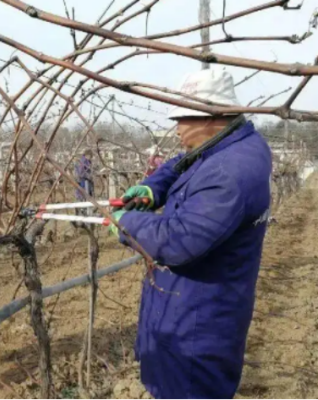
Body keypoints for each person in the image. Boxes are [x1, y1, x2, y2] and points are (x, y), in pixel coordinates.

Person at [109, 69, 272, 399]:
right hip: (189, 311)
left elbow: (178, 240)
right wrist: (152, 189)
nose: (177, 127)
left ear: (213, 116)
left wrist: (127, 223)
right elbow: (183, 164)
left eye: (182, 118)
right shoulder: (229, 146)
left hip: (197, 331)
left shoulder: (232, 173)